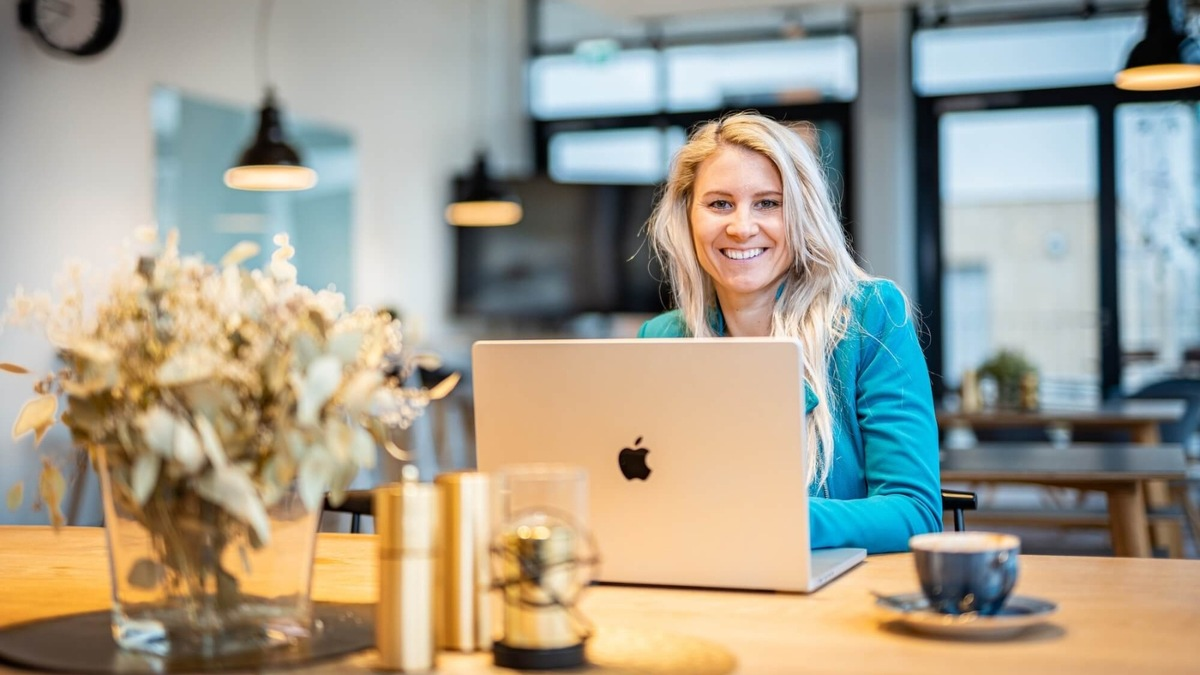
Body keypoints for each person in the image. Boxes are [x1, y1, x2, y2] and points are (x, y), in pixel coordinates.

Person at [637, 112, 941, 554]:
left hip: (834, 597)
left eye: (768, 203)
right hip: (699, 582)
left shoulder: (871, 317)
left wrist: (764, 518)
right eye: (719, 203)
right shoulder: (661, 338)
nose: (741, 227)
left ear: (802, 213)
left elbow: (914, 512)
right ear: (687, 215)